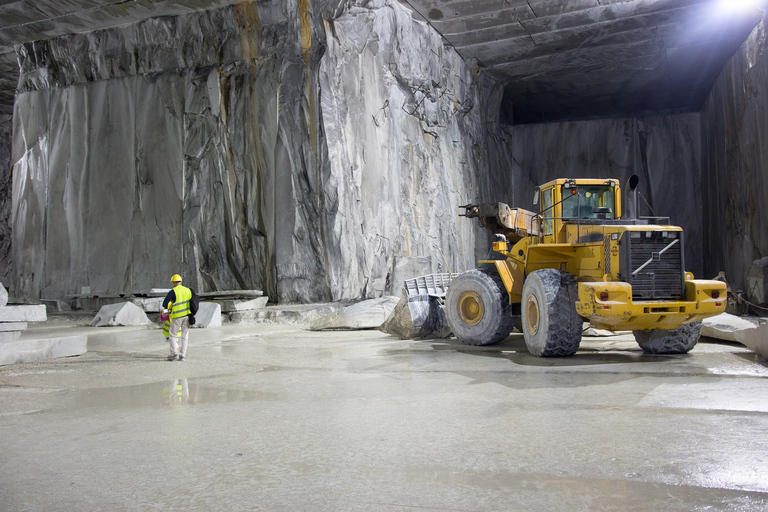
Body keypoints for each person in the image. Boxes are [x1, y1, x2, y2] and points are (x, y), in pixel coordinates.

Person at [162, 274, 193, 361]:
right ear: (181, 282)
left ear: (173, 283)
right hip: (187, 316)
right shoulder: (188, 290)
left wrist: (169, 309)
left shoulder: (173, 292)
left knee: (172, 336)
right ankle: (182, 355)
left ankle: (175, 353)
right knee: (185, 336)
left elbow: (164, 304)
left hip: (176, 317)